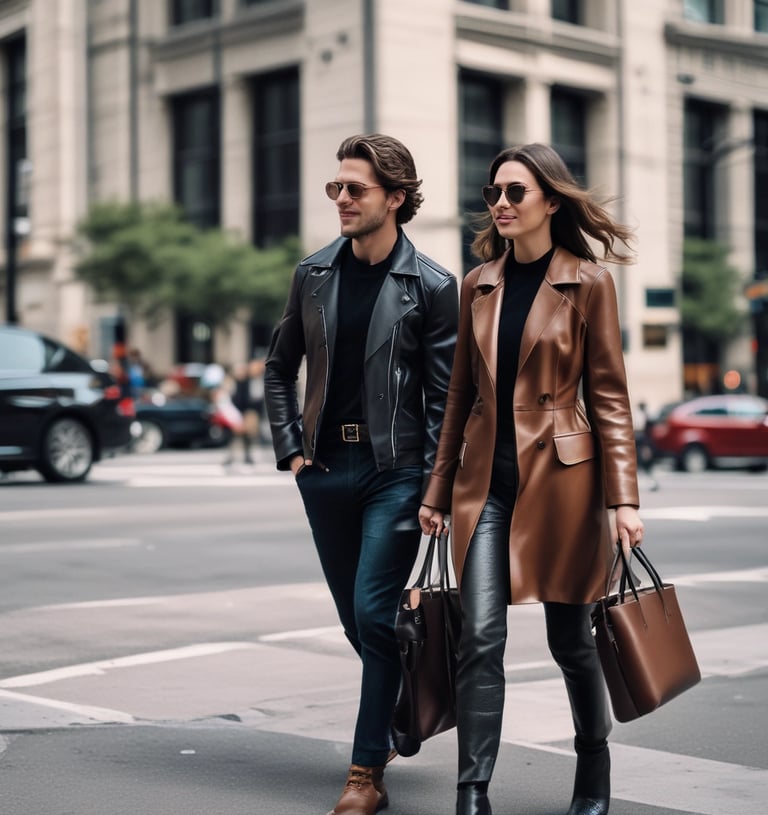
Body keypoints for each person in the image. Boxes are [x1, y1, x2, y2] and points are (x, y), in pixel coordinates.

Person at [418, 143, 644, 815]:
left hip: (566, 486)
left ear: (551, 199)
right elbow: (459, 396)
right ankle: (472, 791)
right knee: (480, 634)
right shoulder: (478, 283)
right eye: (494, 193)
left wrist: (623, 498)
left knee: (571, 640)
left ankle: (593, 771)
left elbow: (609, 397)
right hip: (485, 486)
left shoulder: (588, 281)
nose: (502, 204)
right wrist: (436, 492)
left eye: (516, 192)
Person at [264, 133, 458, 815]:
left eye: (355, 189)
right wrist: (291, 449)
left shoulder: (432, 285)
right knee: (360, 622)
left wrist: (437, 486)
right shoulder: (312, 273)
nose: (340, 200)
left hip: (395, 471)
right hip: (323, 469)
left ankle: (365, 772)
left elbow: (444, 398)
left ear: (396, 198)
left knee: (376, 612)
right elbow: (277, 366)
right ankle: (404, 696)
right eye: (335, 188)